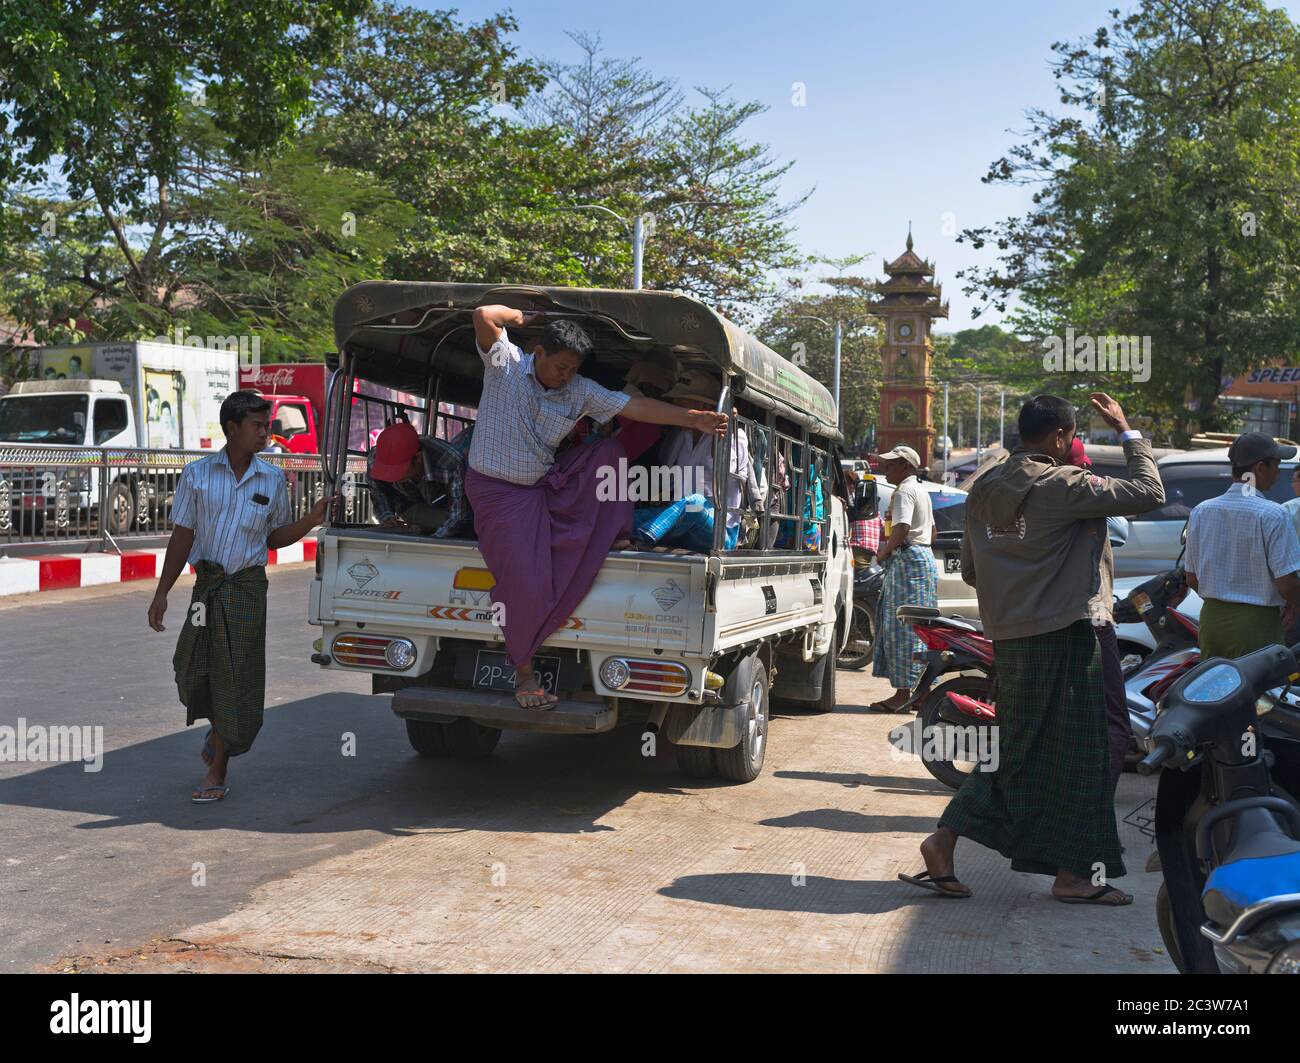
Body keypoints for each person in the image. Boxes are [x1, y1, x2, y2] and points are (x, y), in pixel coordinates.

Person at [903, 393, 1163, 905]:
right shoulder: (1063, 484)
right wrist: (1127, 432)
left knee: (1021, 746)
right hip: (1064, 632)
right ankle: (1072, 874)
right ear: (1062, 438)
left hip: (1010, 634)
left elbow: (973, 570)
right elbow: (1148, 490)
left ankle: (953, 843)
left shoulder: (983, 488)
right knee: (1081, 753)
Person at [466, 306, 726, 710]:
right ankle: (525, 674)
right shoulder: (507, 364)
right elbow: (484, 315)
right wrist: (518, 316)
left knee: (607, 450)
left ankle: (614, 530)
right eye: (560, 366)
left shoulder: (580, 390)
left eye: (572, 368)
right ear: (538, 352)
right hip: (497, 495)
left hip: (540, 490)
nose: (565, 375)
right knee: (529, 585)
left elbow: (634, 408)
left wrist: (693, 418)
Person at [147, 391, 334, 803]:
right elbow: (183, 535)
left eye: (267, 425)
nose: (266, 432)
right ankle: (218, 733)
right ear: (232, 429)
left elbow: (274, 537)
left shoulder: (271, 478)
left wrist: (309, 521)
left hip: (248, 592)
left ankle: (217, 770)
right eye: (257, 425)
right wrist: (161, 593)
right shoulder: (196, 475)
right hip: (206, 589)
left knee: (233, 677)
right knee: (194, 669)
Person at [1183, 432, 1300, 661]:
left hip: (1211, 623)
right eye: (1276, 465)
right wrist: (1295, 605)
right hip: (1257, 626)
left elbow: (1192, 579)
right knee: (1262, 694)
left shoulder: (1201, 511)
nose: (1278, 473)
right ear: (1259, 468)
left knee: (1215, 693)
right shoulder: (1273, 514)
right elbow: (1286, 584)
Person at [629, 370, 759, 552]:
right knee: (624, 516)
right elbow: (668, 480)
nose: (677, 407)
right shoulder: (680, 437)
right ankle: (624, 532)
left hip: (719, 531)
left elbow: (724, 473)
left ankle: (641, 539)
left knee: (694, 503)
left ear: (704, 406)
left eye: (683, 402)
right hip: (679, 520)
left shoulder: (736, 436)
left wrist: (720, 432)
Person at [1066, 436, 1132, 796]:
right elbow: (1123, 527)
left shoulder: (1032, 496)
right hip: (1091, 617)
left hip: (1052, 621)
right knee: (1113, 721)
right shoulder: (1085, 495)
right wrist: (1125, 431)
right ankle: (1095, 811)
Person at [866, 446, 937, 712]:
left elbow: (903, 528)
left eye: (891, 464)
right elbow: (932, 532)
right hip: (922, 559)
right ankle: (922, 693)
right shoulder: (920, 489)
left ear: (906, 466)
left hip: (908, 561)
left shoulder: (906, 491)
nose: (886, 469)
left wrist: (883, 553)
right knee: (919, 628)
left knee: (903, 627)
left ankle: (903, 694)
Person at [367, 420, 474, 537]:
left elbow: (459, 516)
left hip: (447, 509)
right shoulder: (376, 458)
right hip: (410, 506)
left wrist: (430, 543)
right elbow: (378, 491)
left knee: (467, 527)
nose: (392, 477)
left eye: (397, 470)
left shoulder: (450, 462)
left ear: (418, 458)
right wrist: (386, 517)